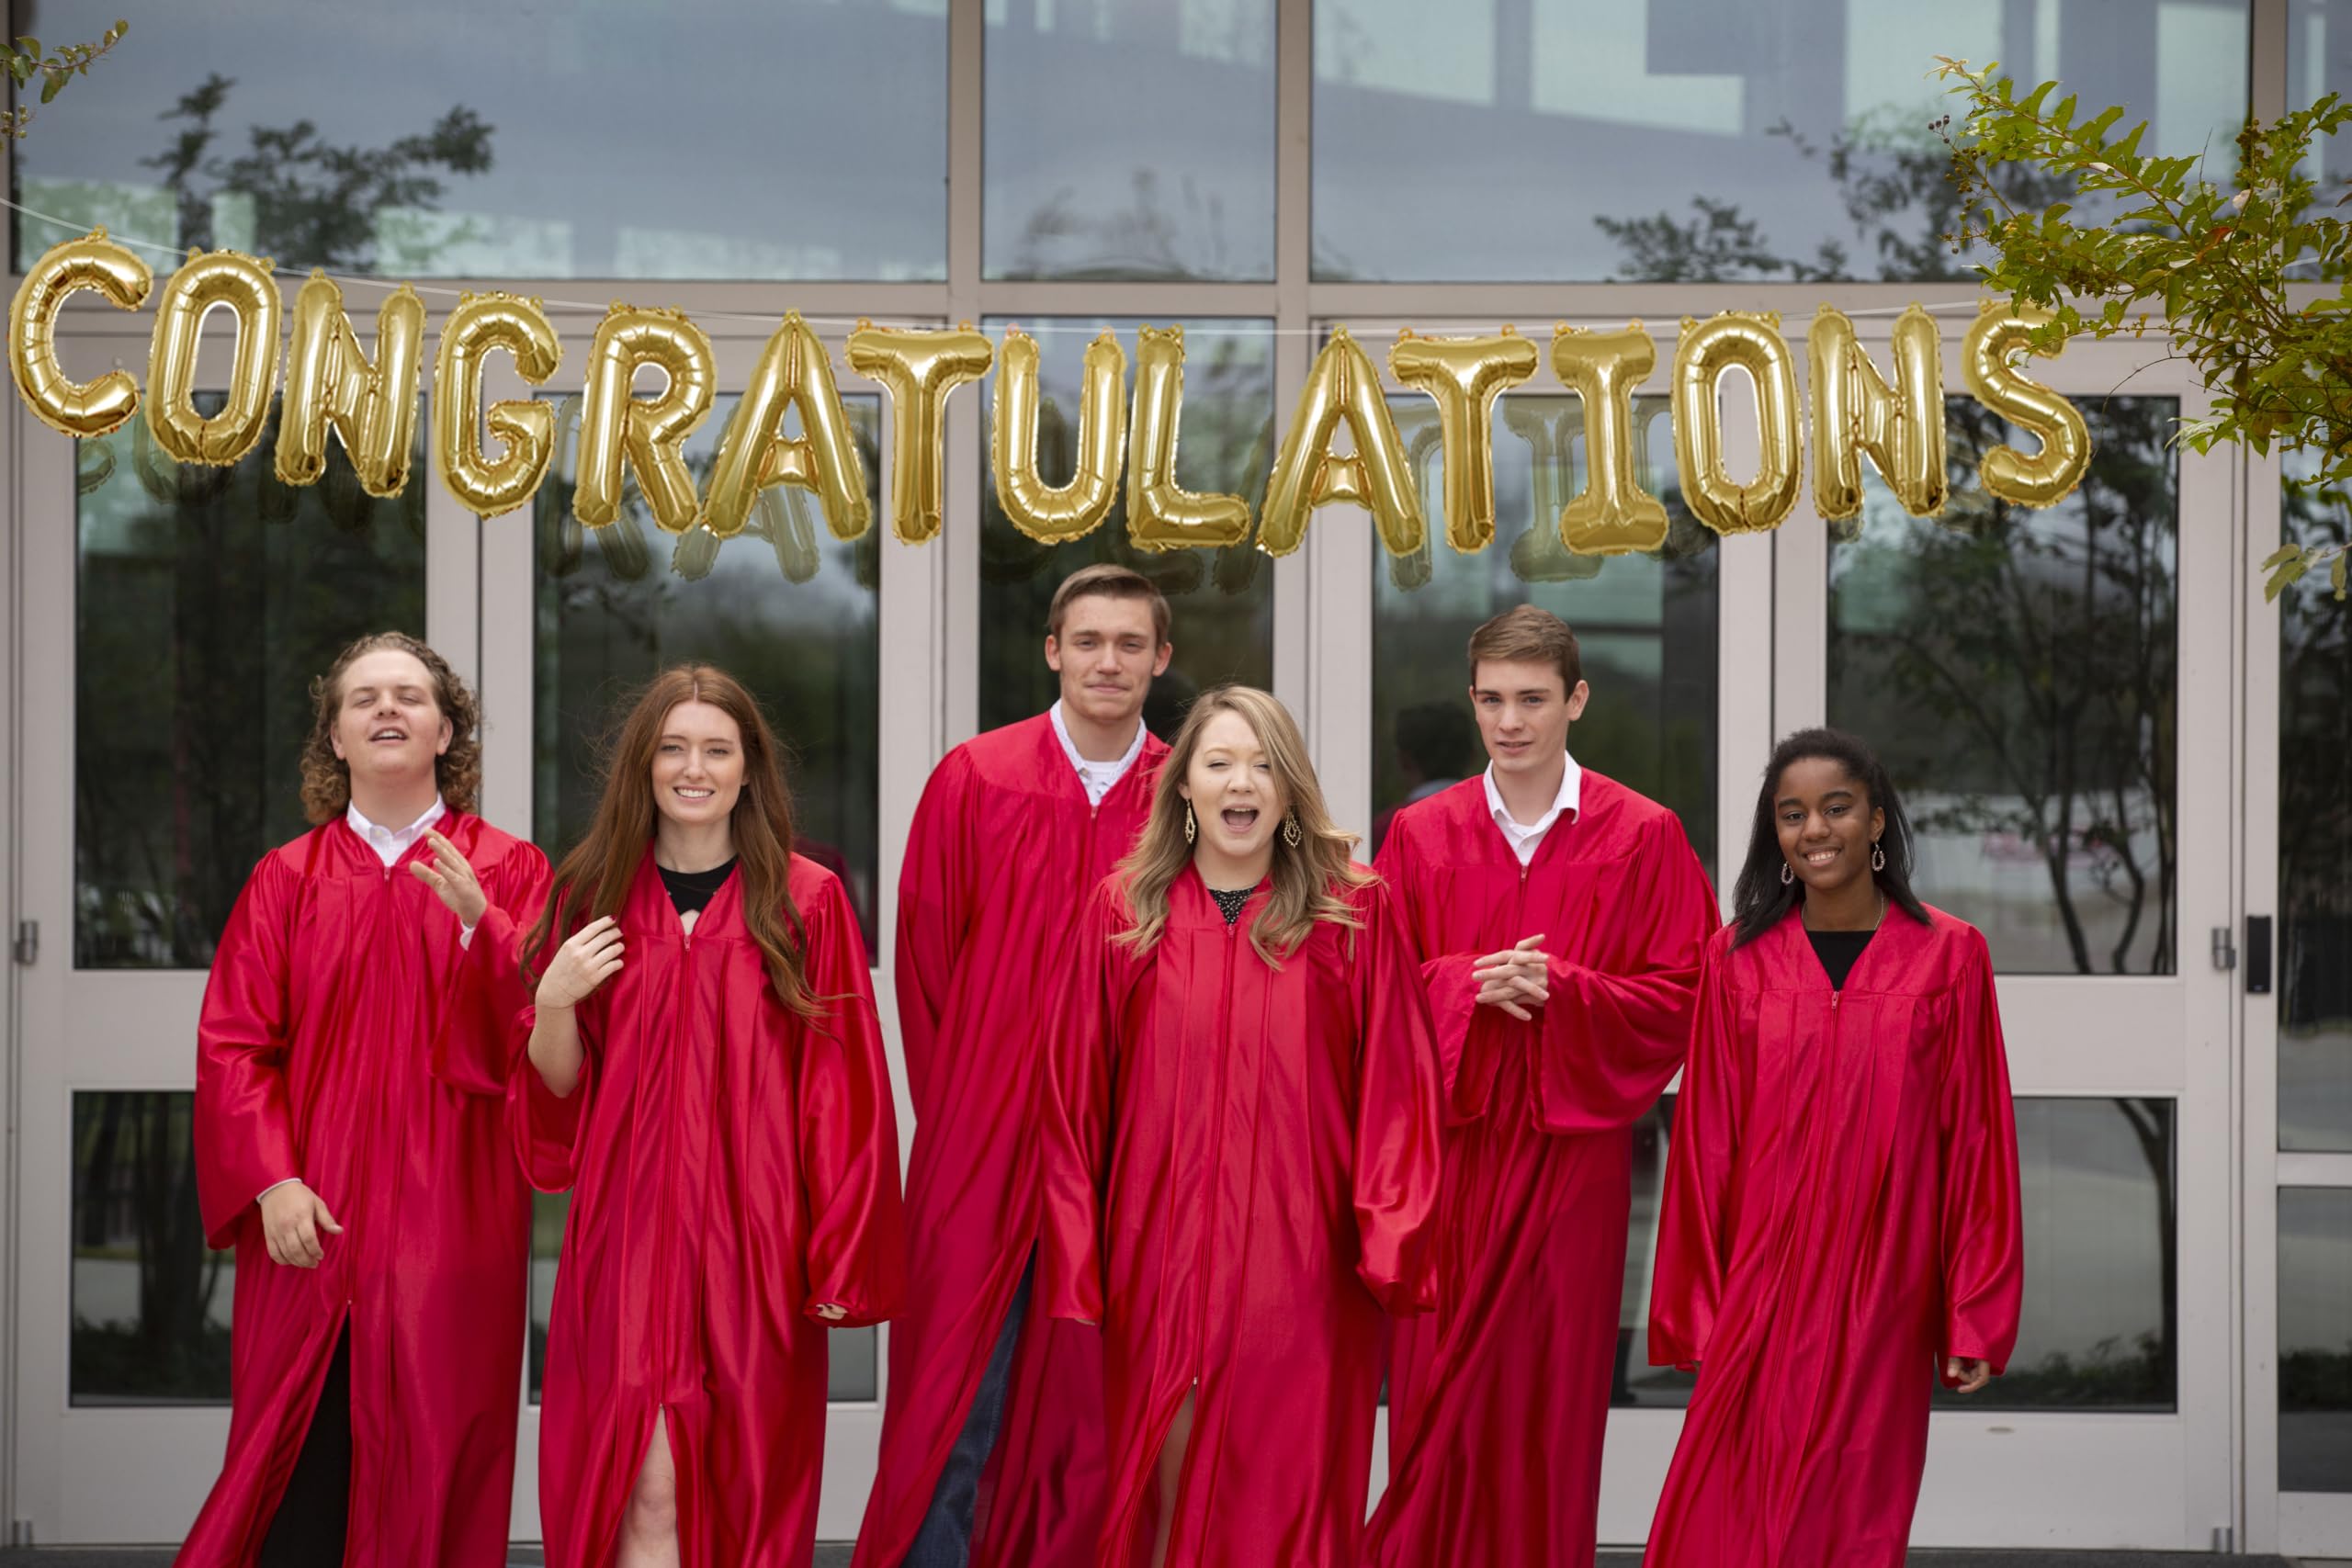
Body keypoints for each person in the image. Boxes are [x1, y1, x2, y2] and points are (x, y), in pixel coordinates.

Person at [1039, 686, 1444, 1568]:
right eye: (1219, 761)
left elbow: (1399, 1092)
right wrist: (1081, 1257)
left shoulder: (1352, 913)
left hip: (1302, 1268)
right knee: (1164, 1482)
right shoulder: (1125, 913)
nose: (1242, 782)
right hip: (1159, 1253)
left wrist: (1392, 1239)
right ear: (1182, 783)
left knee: (1287, 1493)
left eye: (1263, 764)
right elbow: (1075, 1101)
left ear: (1290, 789)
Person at [515, 665, 903, 1568]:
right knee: (642, 1486)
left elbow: (843, 1087)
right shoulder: (593, 894)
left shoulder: (805, 900)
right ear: (643, 766)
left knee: (745, 1480)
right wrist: (556, 1001)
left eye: (716, 750)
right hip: (627, 1237)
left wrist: (838, 1246)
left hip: (754, 1240)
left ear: (747, 768)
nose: (694, 769)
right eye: (673, 748)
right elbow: (555, 1092)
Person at [179, 632, 548, 1568]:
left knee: (437, 1451)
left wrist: (484, 927)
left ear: (446, 730)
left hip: (453, 1222)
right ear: (335, 739)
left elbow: (544, 1048)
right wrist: (271, 1182)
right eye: (364, 699)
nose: (387, 709)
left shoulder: (510, 872)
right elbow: (234, 1047)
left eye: (410, 697)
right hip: (314, 1215)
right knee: (301, 1458)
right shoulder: (285, 881)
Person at [1363, 605, 1720, 1568]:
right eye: (1490, 700)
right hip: (1455, 1158)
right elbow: (1374, 1000)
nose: (1509, 721)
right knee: (1439, 1392)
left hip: (1576, 1166)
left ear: (1576, 701)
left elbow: (1688, 994)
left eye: (1530, 699)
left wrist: (1566, 990)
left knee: (1553, 1402)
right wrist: (1460, 986)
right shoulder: (1419, 835)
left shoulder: (1642, 835)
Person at [857, 565, 1176, 1568]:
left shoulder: (1190, 787)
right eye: (1089, 641)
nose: (1108, 662)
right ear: (1052, 650)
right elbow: (926, 967)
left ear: (1161, 659)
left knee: (1101, 1391)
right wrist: (967, 1114)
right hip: (982, 1133)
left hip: (1134, 1134)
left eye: (1130, 644)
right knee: (959, 1387)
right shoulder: (976, 777)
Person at [1644, 728, 2022, 1567]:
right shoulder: (1736, 959)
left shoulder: (1950, 957)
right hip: (1763, 1279)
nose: (1814, 828)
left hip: (1886, 1279)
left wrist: (1973, 1311)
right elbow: (1707, 1141)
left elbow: (1978, 1140)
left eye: (1836, 807)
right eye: (1791, 813)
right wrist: (1697, 1300)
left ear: (1877, 820)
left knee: (1857, 1503)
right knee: (1730, 1503)